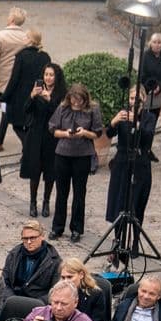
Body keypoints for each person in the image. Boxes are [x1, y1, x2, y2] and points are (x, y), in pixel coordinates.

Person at [102, 86, 158, 257]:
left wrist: (137, 123)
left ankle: (135, 241)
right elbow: (109, 133)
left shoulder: (149, 117)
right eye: (132, 99)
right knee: (119, 202)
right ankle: (117, 239)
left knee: (136, 204)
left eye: (137, 99)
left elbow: (148, 139)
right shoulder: (123, 113)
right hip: (122, 162)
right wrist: (114, 121)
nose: (134, 102)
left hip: (140, 163)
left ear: (144, 100)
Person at [47, 82, 104, 242]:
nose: (76, 103)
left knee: (79, 193)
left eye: (79, 100)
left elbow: (97, 133)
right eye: (74, 99)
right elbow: (53, 130)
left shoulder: (92, 109)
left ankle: (76, 228)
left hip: (82, 155)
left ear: (85, 99)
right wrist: (66, 133)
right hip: (63, 154)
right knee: (61, 193)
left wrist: (85, 133)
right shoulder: (63, 108)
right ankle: (57, 227)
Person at [19, 62, 64, 217]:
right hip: (36, 135)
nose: (48, 78)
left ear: (56, 77)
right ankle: (33, 202)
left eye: (51, 75)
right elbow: (26, 110)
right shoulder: (38, 90)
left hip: (51, 136)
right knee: (35, 171)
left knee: (50, 171)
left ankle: (46, 201)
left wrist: (49, 99)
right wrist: (32, 96)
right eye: (46, 74)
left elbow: (59, 114)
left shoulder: (60, 94)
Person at [1, 28, 51, 153]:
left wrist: (4, 96)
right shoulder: (45, 57)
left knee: (17, 124)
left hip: (19, 98)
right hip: (37, 96)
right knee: (30, 125)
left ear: (29, 40)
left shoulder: (22, 56)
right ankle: (28, 148)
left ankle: (28, 147)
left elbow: (14, 79)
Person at [0, 7, 31, 144]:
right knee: (7, 111)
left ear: (12, 19)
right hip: (14, 81)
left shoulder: (0, 35)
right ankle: (0, 140)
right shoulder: (25, 38)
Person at [1, 219, 62, 302]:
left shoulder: (54, 260)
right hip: (13, 300)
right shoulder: (14, 254)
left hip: (38, 304)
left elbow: (56, 289)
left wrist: (37, 304)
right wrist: (10, 298)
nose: (29, 242)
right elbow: (4, 280)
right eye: (25, 239)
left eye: (32, 238)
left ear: (42, 236)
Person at [60, 257, 110, 321]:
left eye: (70, 277)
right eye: (63, 277)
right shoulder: (58, 293)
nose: (66, 281)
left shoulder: (95, 295)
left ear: (81, 275)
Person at [137, 32, 161, 114]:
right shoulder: (145, 55)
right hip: (147, 91)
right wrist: (151, 86)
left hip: (160, 92)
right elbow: (142, 74)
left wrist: (159, 86)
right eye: (154, 42)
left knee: (155, 114)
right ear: (150, 43)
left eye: (159, 42)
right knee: (144, 114)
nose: (157, 45)